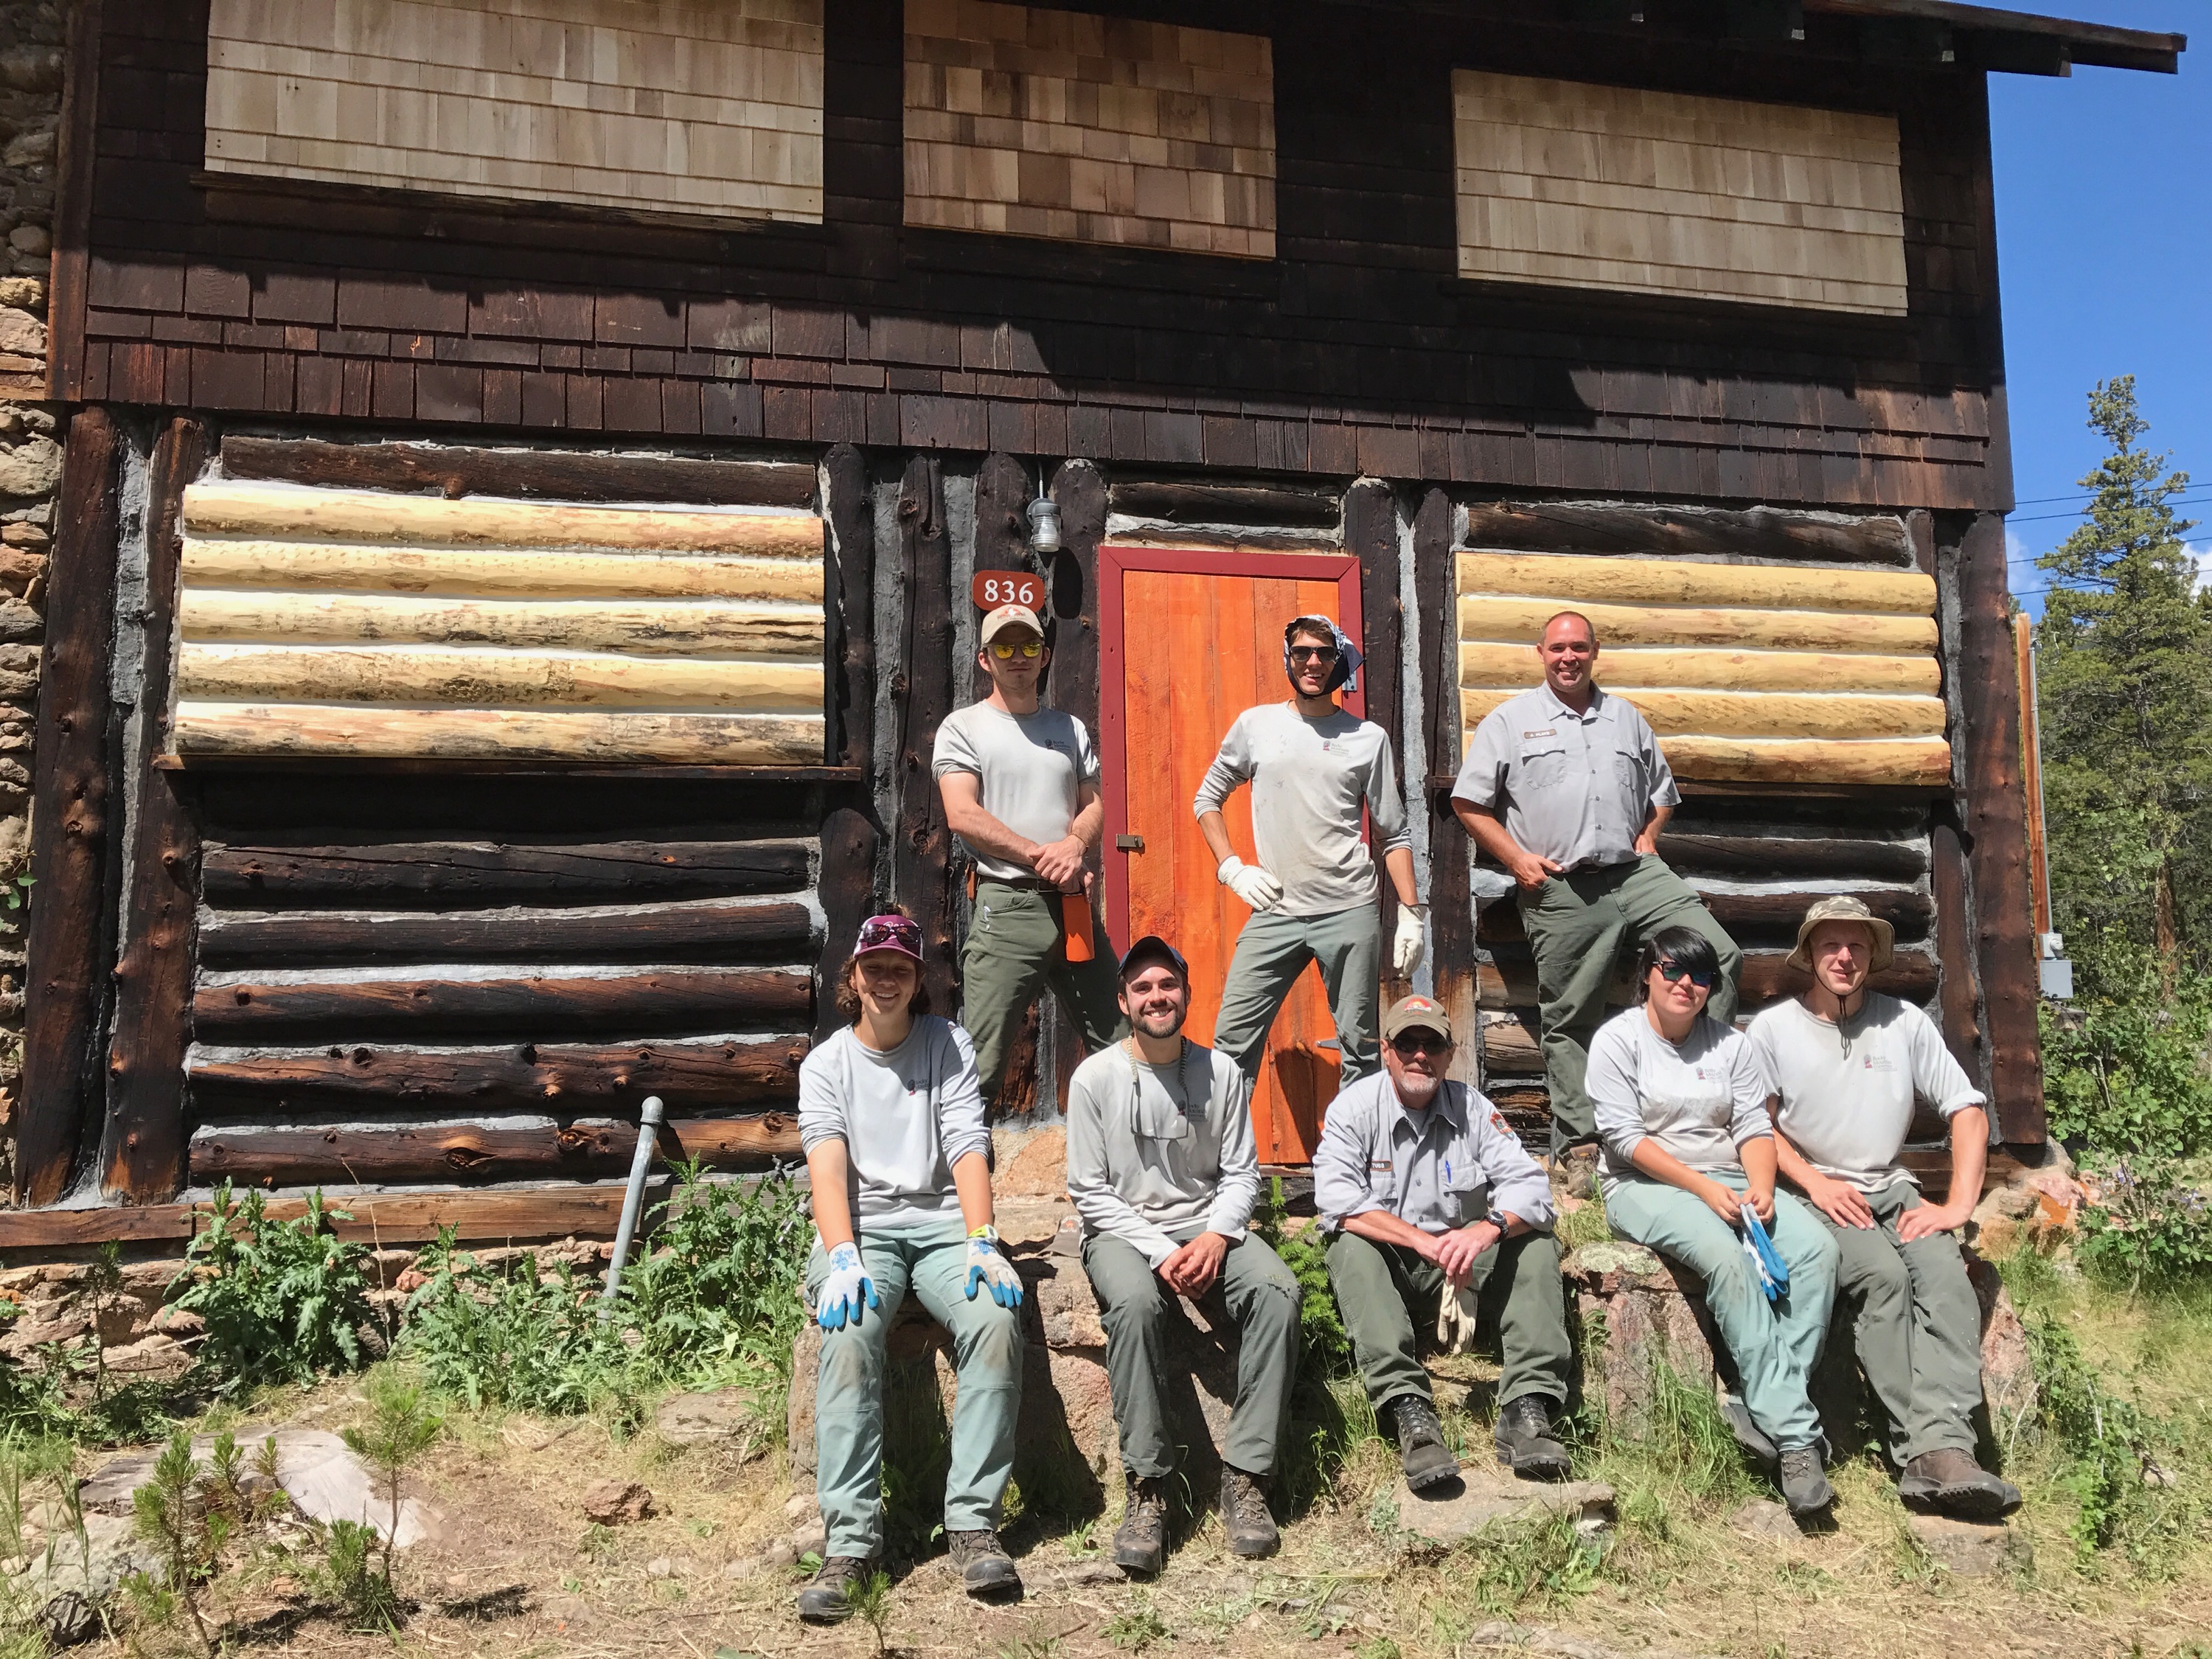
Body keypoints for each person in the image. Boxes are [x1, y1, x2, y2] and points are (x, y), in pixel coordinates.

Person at [1748, 897, 2020, 1518]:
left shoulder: (1904, 1023)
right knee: (1884, 1278)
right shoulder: (1773, 1029)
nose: (1844, 957)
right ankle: (1918, 1451)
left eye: (1857, 946)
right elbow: (1756, 1128)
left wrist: (1956, 1206)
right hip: (1815, 1194)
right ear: (1809, 955)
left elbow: (1968, 1110)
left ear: (1873, 955)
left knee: (1948, 1279)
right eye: (1830, 946)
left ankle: (1946, 1448)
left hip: (1893, 1190)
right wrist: (1815, 1184)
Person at [794, 913, 1028, 1622]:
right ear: (854, 977)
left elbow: (966, 1143)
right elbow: (828, 1172)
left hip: (943, 1226)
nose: (886, 979)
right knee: (850, 1330)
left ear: (918, 978)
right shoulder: (826, 1064)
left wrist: (984, 1238)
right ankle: (852, 1541)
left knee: (994, 1319)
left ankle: (971, 1522)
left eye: (901, 967)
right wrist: (841, 1257)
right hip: (860, 1230)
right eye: (875, 966)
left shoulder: (946, 1044)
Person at [1451, 611, 1743, 1161]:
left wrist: (1650, 835)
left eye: (1579, 648)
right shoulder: (1510, 722)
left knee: (1720, 959)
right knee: (1571, 1016)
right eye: (1559, 648)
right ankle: (1582, 1145)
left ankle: (1690, 1098)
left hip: (1636, 875)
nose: (1569, 657)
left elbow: (1663, 794)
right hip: (1561, 887)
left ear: (1595, 652)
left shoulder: (1626, 718)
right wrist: (1516, 860)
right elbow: (1467, 803)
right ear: (1541, 653)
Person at [1065, 934, 1303, 1575]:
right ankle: (1149, 1489)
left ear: (1187, 994)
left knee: (1279, 1292)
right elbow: (1087, 1188)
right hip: (1122, 1232)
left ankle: (1246, 1477)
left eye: (1167, 984)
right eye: (1142, 988)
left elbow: (1242, 1175)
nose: (1156, 997)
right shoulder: (1095, 1078)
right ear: (1123, 1001)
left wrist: (1215, 1237)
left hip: (1205, 1228)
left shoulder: (1221, 1072)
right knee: (1138, 1305)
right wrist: (1159, 1250)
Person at [1586, 925, 1840, 1517]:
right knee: (1727, 1261)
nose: (1686, 985)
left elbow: (1753, 1125)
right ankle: (1799, 1441)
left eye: (1700, 977)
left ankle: (1758, 1404)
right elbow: (1623, 1139)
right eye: (1673, 970)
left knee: (1817, 1253)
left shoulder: (1731, 1044)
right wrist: (1701, 1187)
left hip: (1728, 1179)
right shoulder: (1617, 1041)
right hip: (1643, 1184)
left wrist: (1761, 1187)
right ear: (1647, 972)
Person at [1313, 994, 1574, 1490]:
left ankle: (1528, 1409)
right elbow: (1337, 1201)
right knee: (1348, 1242)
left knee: (1536, 1240)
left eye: (1431, 1043)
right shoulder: (1353, 1109)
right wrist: (1421, 1241)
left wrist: (1487, 1229)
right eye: (1407, 1043)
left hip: (1458, 1272)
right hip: (1388, 1269)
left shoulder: (1473, 1108)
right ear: (1386, 1050)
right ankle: (1410, 1413)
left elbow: (1532, 1187)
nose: (1419, 1055)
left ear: (1449, 1053)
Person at [1195, 614, 1422, 1091]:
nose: (1313, 662)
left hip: (1350, 909)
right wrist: (1231, 867)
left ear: (1340, 663)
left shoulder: (1367, 738)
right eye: (1302, 653)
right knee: (1233, 1041)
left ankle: (1353, 1161)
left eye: (1324, 653)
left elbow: (1393, 833)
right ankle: (1221, 1163)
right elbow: (1207, 799)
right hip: (1275, 910)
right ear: (1289, 660)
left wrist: (1411, 913)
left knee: (1360, 1046)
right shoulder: (1256, 725)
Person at [936, 601, 1127, 1107]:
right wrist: (1046, 856)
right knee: (980, 1064)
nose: (1017, 656)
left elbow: (1093, 806)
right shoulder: (964, 728)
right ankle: (954, 1184)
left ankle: (1145, 1176)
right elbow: (963, 814)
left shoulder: (1070, 729)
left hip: (1074, 907)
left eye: (1029, 646)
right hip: (1010, 905)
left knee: (1124, 1045)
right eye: (1005, 646)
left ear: (1044, 657)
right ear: (985, 659)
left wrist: (1074, 844)